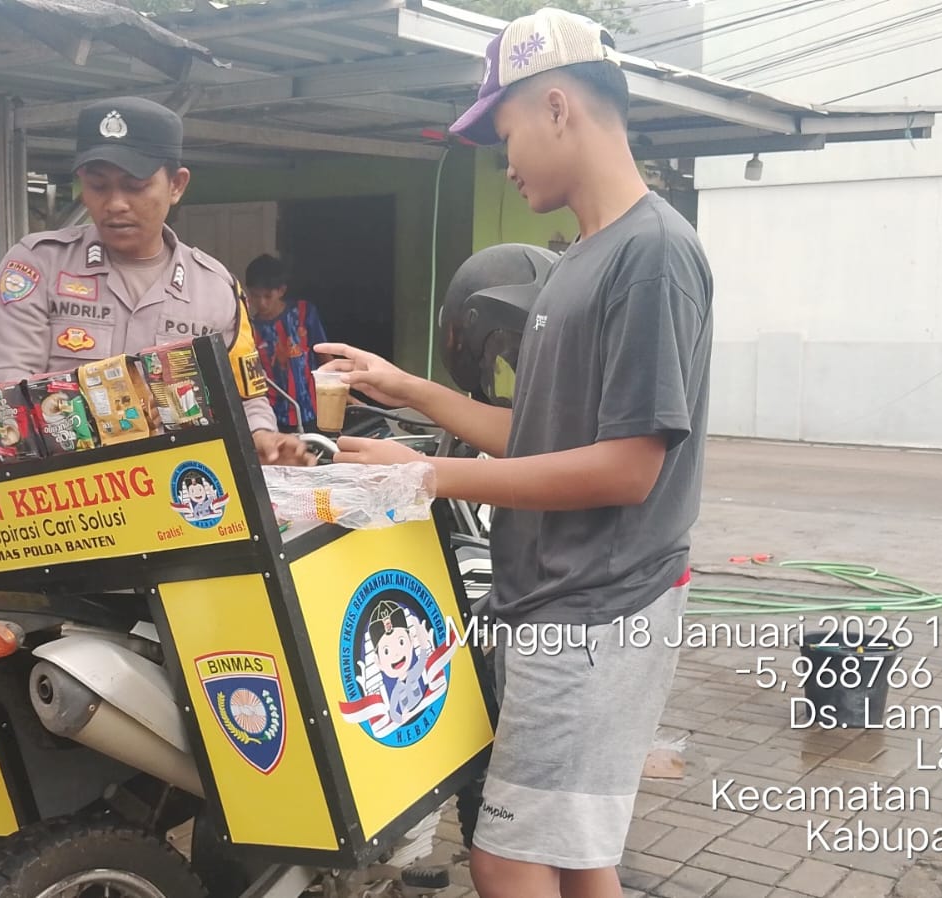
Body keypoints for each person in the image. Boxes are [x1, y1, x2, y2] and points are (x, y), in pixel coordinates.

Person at [317, 8, 713, 898]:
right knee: (574, 851)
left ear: (557, 107)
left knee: (504, 855)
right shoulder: (581, 259)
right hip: (559, 600)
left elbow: (627, 468)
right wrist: (408, 389)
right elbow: (541, 437)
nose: (506, 163)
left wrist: (424, 475)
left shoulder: (650, 256)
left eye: (505, 136)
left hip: (597, 606)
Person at [0, 97, 313, 466]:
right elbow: (2, 393)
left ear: (176, 185)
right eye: (98, 185)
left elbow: (245, 397)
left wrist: (261, 437)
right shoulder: (39, 266)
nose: (115, 204)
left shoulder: (216, 288)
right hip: (65, 490)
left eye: (135, 186)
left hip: (179, 488)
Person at [243, 254, 331, 431]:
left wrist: (335, 394)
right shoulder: (249, 330)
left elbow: (325, 356)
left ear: (281, 291)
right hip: (273, 416)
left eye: (268, 296)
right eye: (255, 296)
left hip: (313, 409)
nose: (261, 303)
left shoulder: (304, 312)